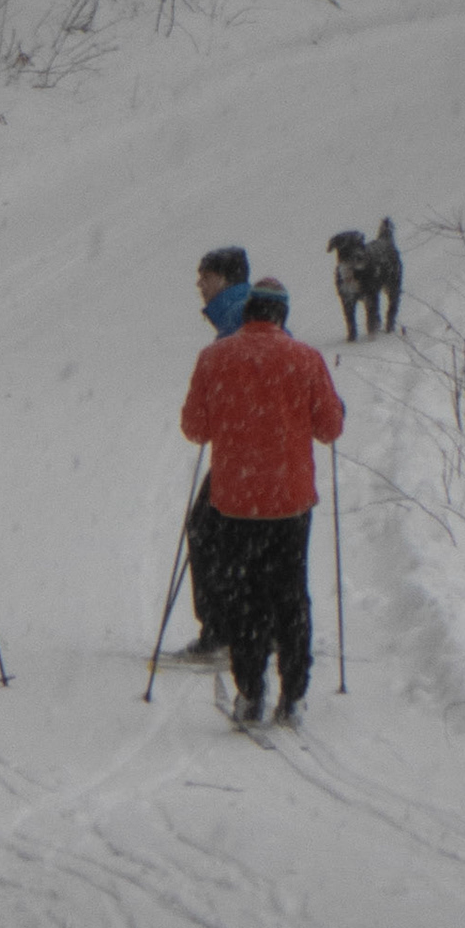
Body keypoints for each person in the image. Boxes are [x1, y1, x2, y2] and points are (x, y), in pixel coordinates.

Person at [179, 276, 344, 726]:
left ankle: (249, 691)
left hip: (234, 502)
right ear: (282, 315)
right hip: (289, 502)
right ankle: (293, 693)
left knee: (244, 595)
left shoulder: (214, 359)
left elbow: (195, 428)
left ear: (248, 311)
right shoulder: (305, 359)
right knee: (291, 595)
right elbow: (329, 429)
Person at [173, 245, 250, 664]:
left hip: (238, 456)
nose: (199, 285)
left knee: (207, 532)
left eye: (205, 276)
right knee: (248, 539)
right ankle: (257, 626)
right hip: (257, 452)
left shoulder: (235, 319)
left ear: (224, 279)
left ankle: (221, 628)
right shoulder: (246, 314)